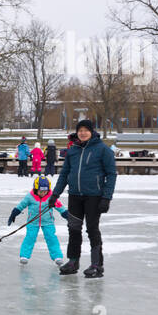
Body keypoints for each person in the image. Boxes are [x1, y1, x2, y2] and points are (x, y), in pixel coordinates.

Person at [49, 119, 116, 278]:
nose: (83, 132)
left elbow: (112, 174)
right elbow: (64, 174)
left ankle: (96, 265)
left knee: (92, 229)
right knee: (73, 229)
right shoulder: (73, 150)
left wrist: (106, 197)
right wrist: (55, 195)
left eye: (86, 130)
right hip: (75, 196)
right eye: (80, 130)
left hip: (94, 196)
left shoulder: (102, 150)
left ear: (92, 132)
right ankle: (73, 261)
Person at [7, 175, 68, 267]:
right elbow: (21, 205)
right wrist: (14, 213)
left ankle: (57, 257)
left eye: (45, 191)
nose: (43, 193)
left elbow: (60, 207)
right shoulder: (30, 197)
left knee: (51, 238)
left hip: (48, 222)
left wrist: (68, 216)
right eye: (41, 191)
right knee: (30, 238)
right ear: (35, 189)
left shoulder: (51, 197)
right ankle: (24, 256)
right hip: (32, 222)